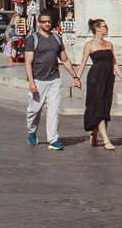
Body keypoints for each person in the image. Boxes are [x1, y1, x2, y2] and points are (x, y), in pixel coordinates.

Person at [24, 12, 82, 150]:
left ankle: (53, 139)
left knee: (53, 110)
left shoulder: (56, 38)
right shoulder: (33, 39)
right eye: (44, 22)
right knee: (34, 109)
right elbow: (28, 62)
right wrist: (31, 82)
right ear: (38, 23)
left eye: (49, 21)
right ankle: (32, 131)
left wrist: (75, 76)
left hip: (54, 79)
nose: (47, 24)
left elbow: (65, 59)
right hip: (38, 79)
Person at [74, 18, 122, 150]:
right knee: (98, 106)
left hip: (108, 78)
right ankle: (106, 139)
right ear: (97, 29)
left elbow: (114, 64)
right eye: (104, 26)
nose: (107, 28)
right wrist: (77, 77)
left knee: (105, 106)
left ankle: (94, 132)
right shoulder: (89, 45)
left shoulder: (109, 44)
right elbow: (83, 62)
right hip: (95, 78)